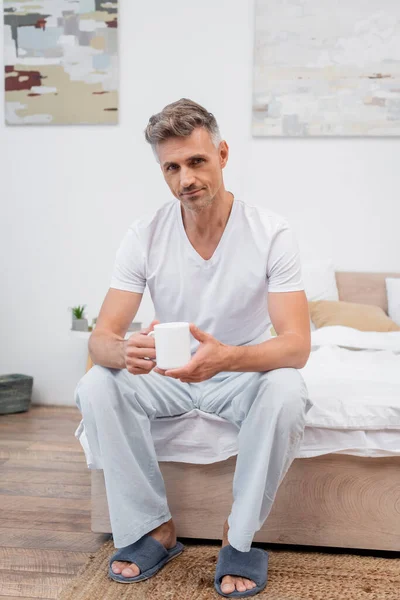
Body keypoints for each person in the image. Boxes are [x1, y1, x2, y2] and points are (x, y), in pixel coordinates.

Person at [74, 98, 313, 598]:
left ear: (222, 155)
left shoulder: (272, 233)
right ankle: (153, 529)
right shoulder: (144, 234)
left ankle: (238, 537)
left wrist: (226, 357)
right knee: (98, 383)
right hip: (168, 375)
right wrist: (124, 353)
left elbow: (295, 345)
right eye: (172, 167)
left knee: (288, 390)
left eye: (197, 161)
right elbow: (102, 337)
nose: (186, 178)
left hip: (241, 371)